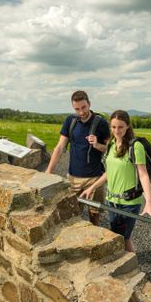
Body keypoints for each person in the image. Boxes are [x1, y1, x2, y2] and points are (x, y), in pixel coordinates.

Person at [80, 110, 151, 252]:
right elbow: (109, 173)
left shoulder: (135, 147)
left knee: (123, 238)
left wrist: (149, 202)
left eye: (121, 127)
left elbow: (143, 175)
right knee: (119, 237)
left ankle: (130, 269)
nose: (117, 131)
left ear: (128, 126)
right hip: (112, 201)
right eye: (114, 127)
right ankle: (129, 268)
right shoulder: (111, 144)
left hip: (129, 203)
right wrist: (92, 187)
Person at [46, 90, 110, 226]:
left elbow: (110, 150)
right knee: (72, 215)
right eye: (77, 109)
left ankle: (96, 244)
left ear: (89, 104)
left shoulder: (101, 123)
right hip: (73, 178)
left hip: (95, 178)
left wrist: (97, 144)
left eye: (83, 107)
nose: (81, 112)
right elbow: (59, 148)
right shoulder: (70, 121)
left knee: (94, 215)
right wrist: (48, 172)